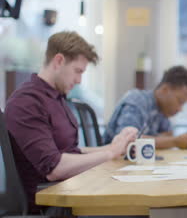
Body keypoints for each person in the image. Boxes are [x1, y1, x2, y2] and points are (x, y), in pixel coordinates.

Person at [4, 31, 137, 214]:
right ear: (58, 61)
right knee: (134, 210)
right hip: (51, 205)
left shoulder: (56, 97)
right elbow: (55, 168)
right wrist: (109, 153)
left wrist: (113, 147)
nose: (79, 80)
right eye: (77, 71)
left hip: (70, 192)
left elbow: (72, 152)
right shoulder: (27, 102)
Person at [103, 65, 187, 149]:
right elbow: (126, 141)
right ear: (165, 89)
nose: (180, 109)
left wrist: (166, 140)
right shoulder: (137, 101)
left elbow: (169, 134)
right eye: (179, 101)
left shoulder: (162, 110)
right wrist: (174, 142)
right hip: (110, 163)